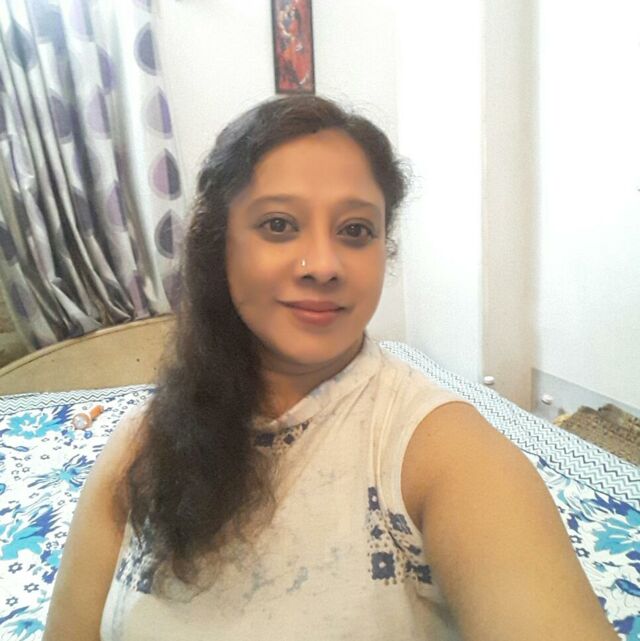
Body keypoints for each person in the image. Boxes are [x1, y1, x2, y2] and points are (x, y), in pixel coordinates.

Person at [43, 95, 619, 641]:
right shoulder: (142, 444)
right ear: (219, 245)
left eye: (355, 230)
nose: (322, 264)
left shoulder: (440, 451)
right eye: (278, 224)